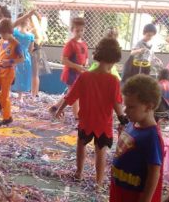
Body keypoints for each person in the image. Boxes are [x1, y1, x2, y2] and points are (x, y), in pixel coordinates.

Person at [51, 38, 128, 185]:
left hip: (86, 120)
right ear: (114, 60)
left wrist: (59, 109)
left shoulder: (85, 76)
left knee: (81, 145)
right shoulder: (113, 80)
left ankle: (78, 173)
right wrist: (123, 118)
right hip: (103, 123)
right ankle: (98, 181)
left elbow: (71, 95)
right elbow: (117, 104)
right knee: (101, 151)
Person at [109, 74, 165, 202]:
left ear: (148, 106)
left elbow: (154, 171)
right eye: (126, 105)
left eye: (131, 107)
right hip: (121, 189)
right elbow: (127, 149)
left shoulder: (152, 136)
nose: (126, 110)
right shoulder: (134, 125)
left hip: (135, 195)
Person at [0, 18, 24, 126]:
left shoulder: (16, 44)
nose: (2, 35)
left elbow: (22, 59)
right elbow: (0, 55)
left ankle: (7, 117)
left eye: (3, 33)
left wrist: (10, 61)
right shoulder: (1, 40)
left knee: (5, 95)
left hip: (8, 72)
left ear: (10, 31)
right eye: (0, 33)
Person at [61, 17, 88, 119]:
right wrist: (77, 66)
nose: (79, 33)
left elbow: (86, 58)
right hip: (71, 74)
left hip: (80, 73)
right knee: (74, 95)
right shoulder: (70, 44)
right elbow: (64, 60)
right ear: (72, 30)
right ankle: (77, 116)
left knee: (75, 94)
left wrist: (85, 65)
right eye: (77, 31)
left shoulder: (84, 44)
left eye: (81, 30)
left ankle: (56, 107)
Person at [12, 15, 35, 102]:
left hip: (15, 55)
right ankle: (20, 96)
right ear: (28, 23)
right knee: (23, 75)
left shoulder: (14, 32)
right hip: (25, 57)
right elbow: (31, 49)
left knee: (15, 74)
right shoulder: (31, 36)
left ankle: (16, 93)